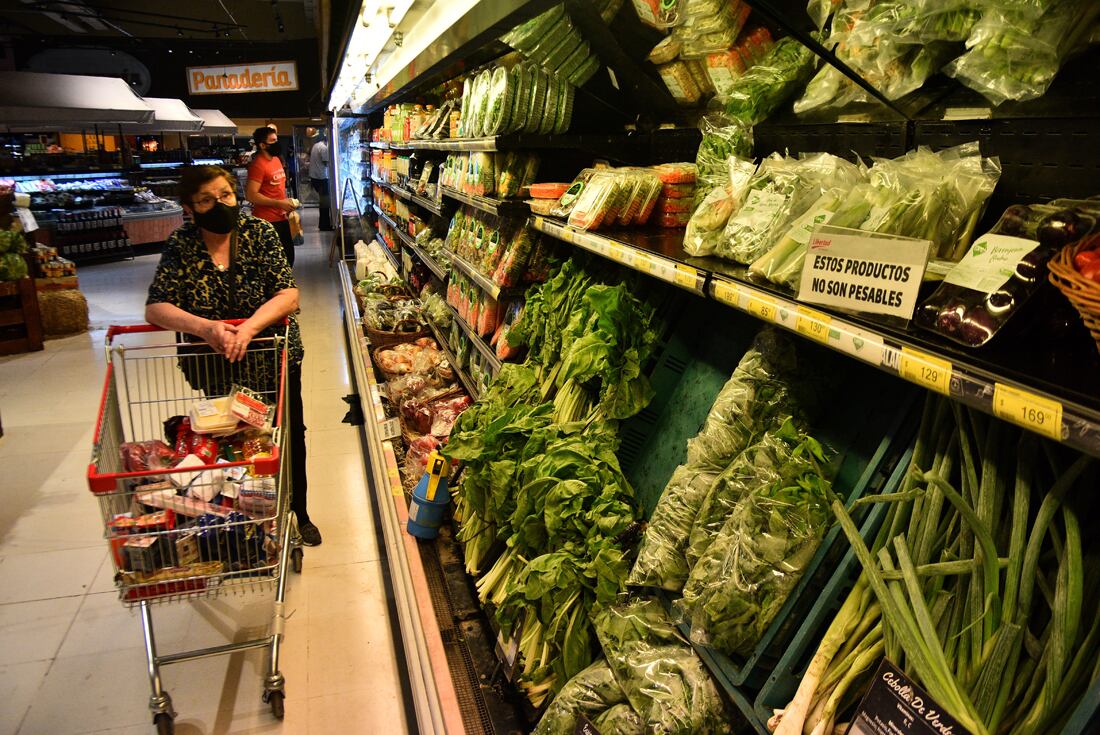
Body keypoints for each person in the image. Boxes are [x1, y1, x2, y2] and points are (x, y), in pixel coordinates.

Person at [145, 165, 322, 547]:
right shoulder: (182, 244)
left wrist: (249, 328)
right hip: (214, 367)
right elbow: (156, 307)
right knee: (231, 442)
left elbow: (288, 295)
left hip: (271, 360)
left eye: (225, 195)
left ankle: (298, 511)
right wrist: (205, 328)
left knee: (287, 436)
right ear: (189, 207)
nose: (220, 204)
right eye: (207, 199)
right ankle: (247, 518)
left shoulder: (258, 233)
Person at [246, 126, 298, 267]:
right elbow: (251, 195)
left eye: (277, 139)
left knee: (288, 258)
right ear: (262, 145)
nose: (277, 143)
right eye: (273, 141)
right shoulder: (258, 165)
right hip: (267, 221)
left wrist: (286, 204)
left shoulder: (276, 159)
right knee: (276, 262)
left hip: (282, 217)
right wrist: (279, 204)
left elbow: (277, 188)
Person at [308, 133, 331, 231]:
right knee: (325, 203)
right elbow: (327, 162)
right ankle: (324, 225)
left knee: (323, 202)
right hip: (322, 178)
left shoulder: (315, 145)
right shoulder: (324, 148)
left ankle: (323, 224)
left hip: (315, 177)